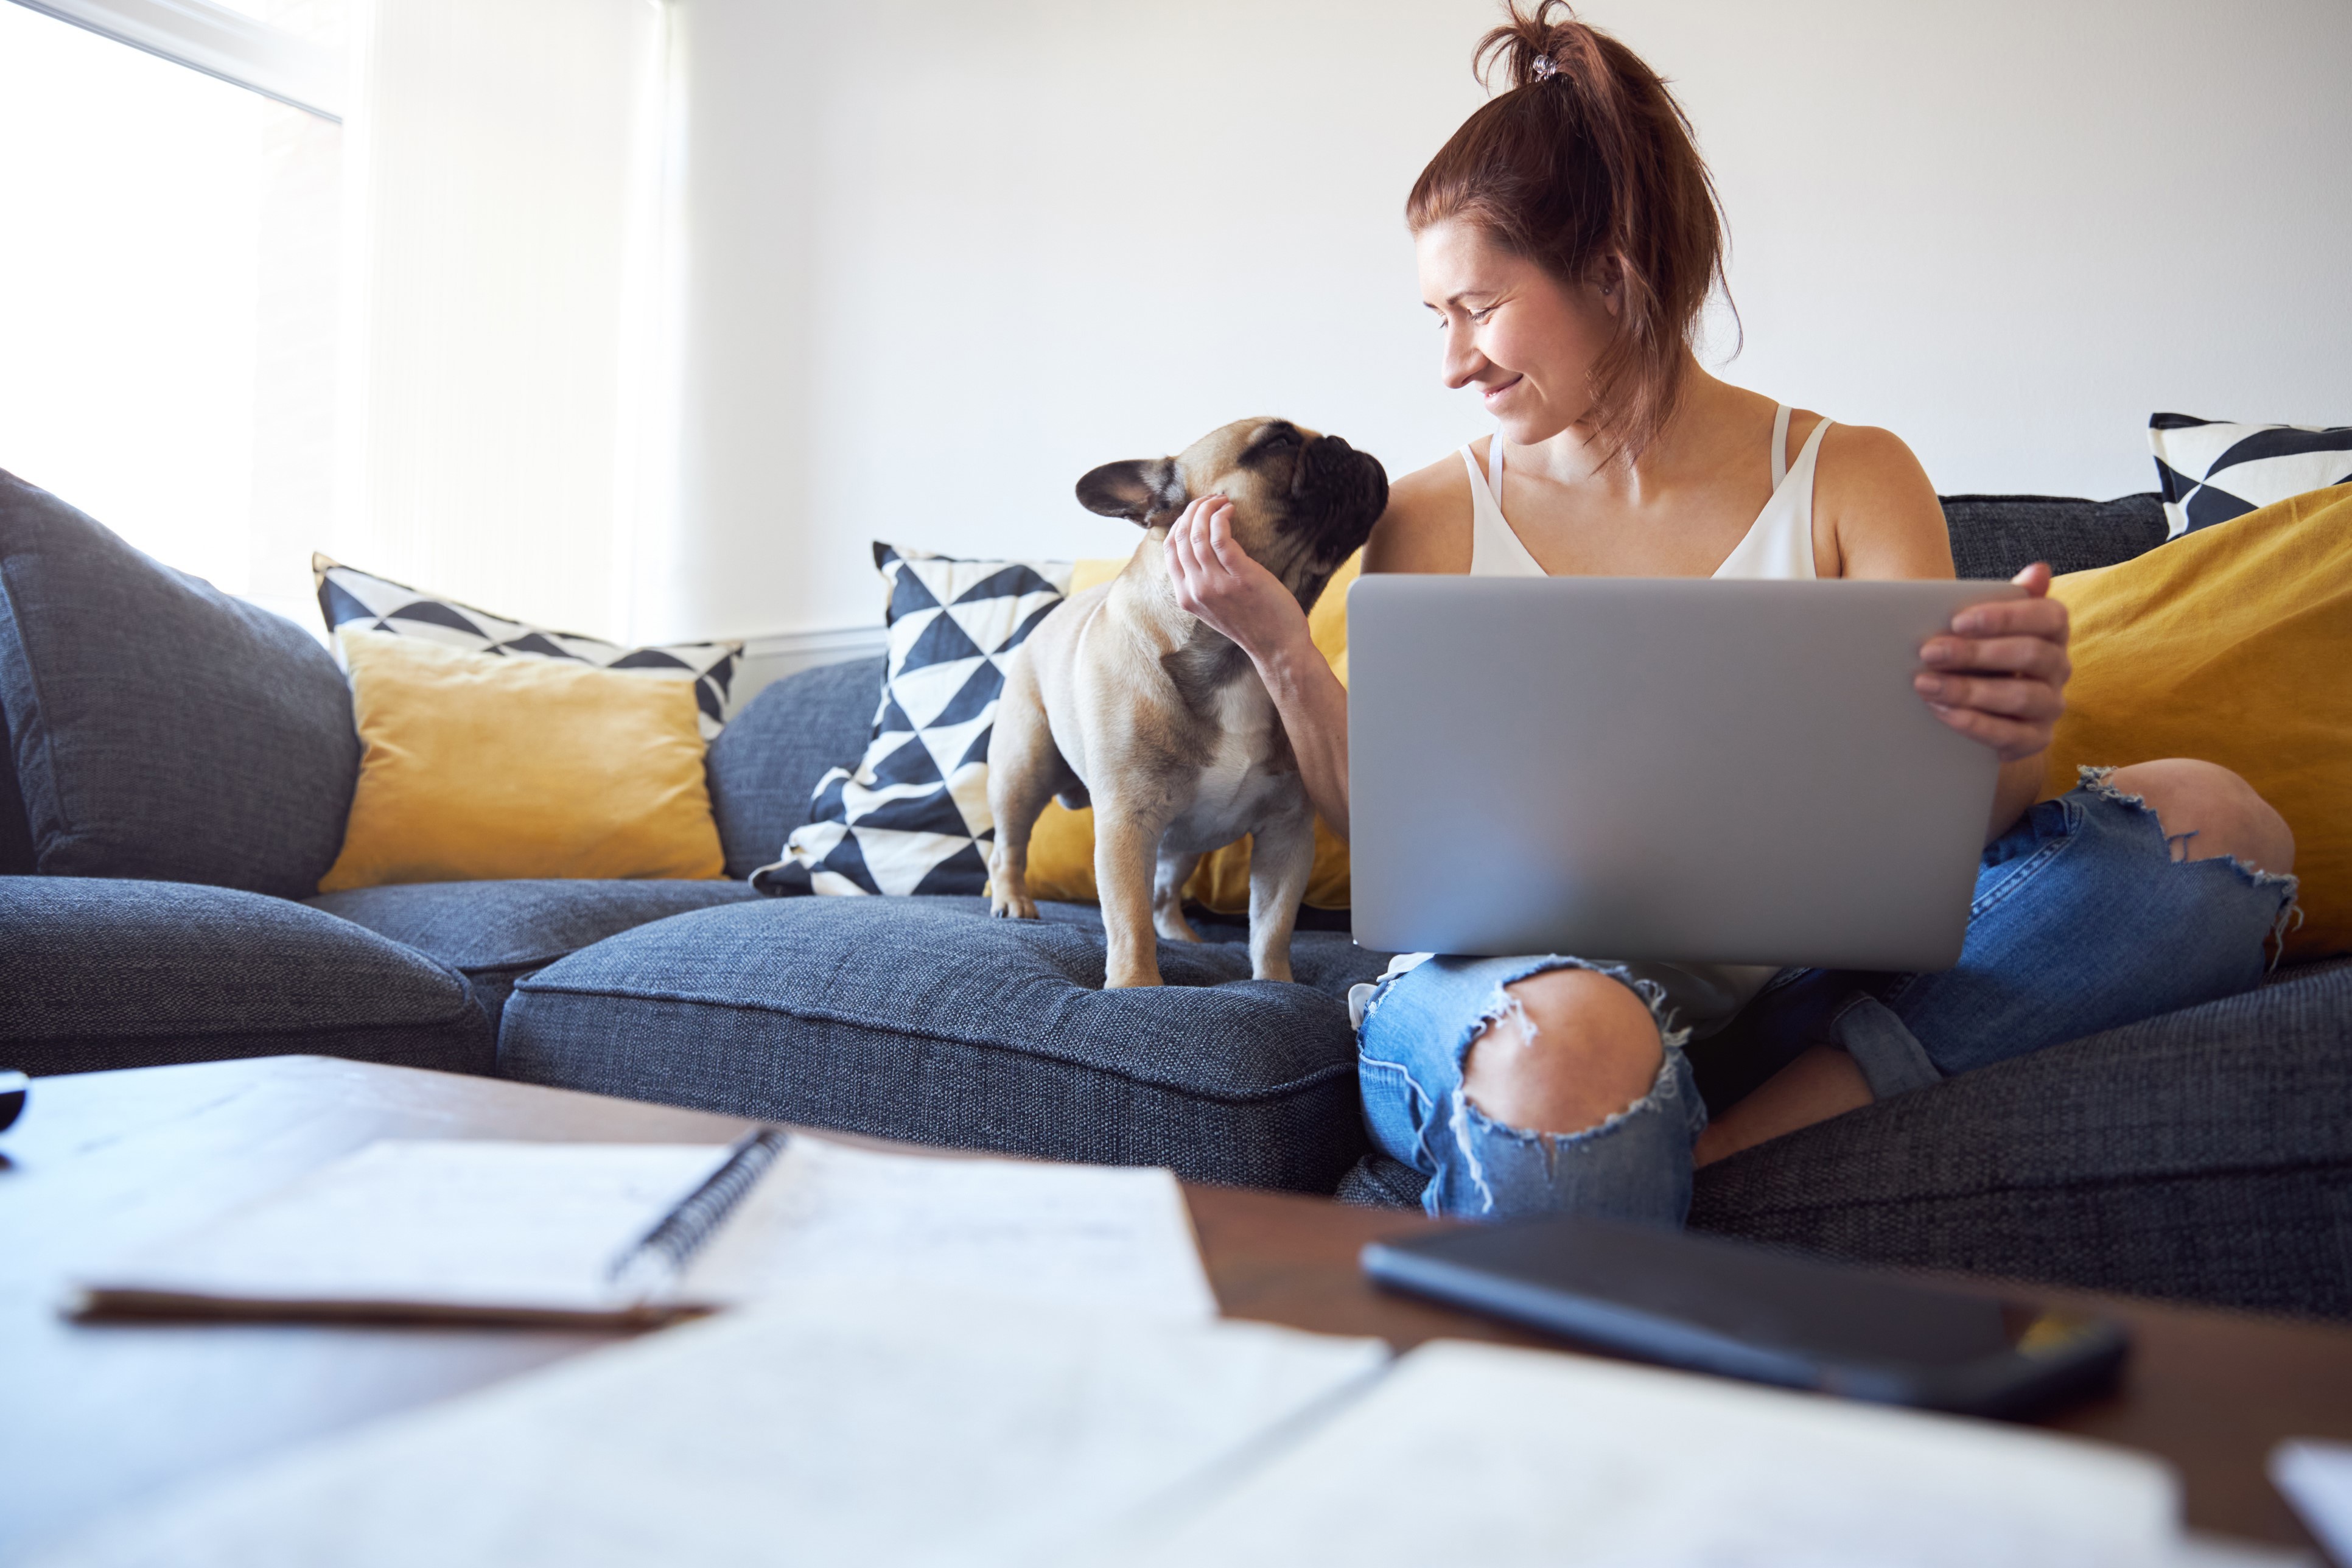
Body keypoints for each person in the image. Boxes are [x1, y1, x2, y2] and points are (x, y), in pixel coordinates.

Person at [1158, 2, 2300, 1224]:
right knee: (1577, 1040)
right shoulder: (1431, 516)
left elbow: (1966, 830)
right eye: (1437, 319)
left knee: (2217, 833)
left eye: (1479, 310)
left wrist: (2004, 732)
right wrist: (1279, 641)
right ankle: (1600, 1130)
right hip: (1517, 1000)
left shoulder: (1855, 478)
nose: (1453, 365)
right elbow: (1390, 836)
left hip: (1794, 996)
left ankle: (1677, 1161)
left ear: (1615, 271)